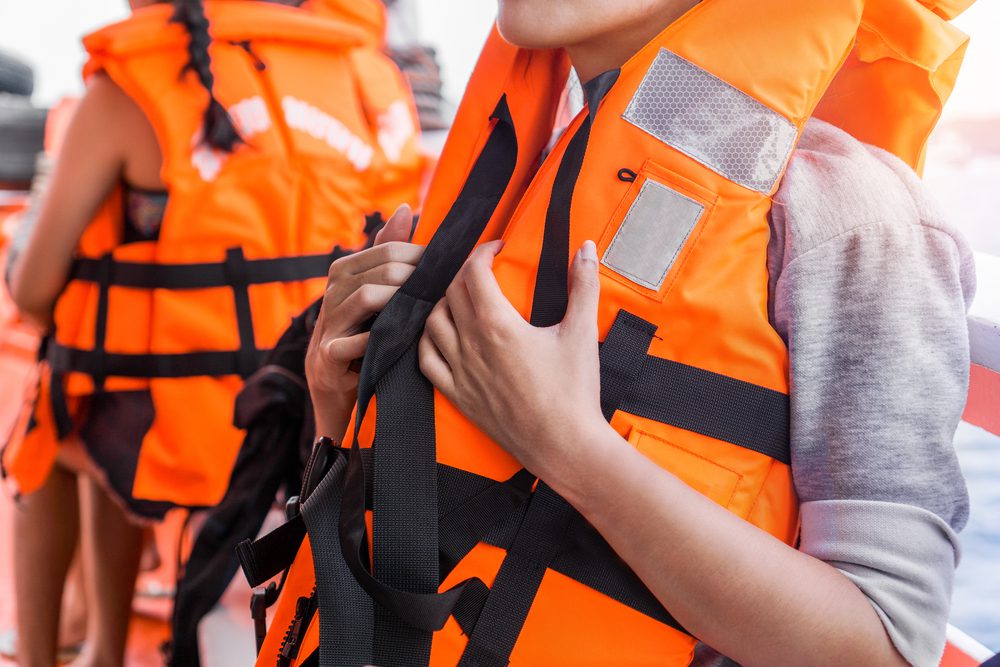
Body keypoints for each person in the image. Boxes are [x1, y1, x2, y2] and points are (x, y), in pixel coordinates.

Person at [249, 0, 975, 665]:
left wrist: (575, 453)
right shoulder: (514, 169)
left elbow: (884, 646)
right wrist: (345, 404)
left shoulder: (857, 218)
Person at [2, 0, 421, 665]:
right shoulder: (364, 74)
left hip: (184, 430)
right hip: (310, 422)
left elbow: (30, 292)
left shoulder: (127, 86)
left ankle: (63, 649)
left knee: (55, 402)